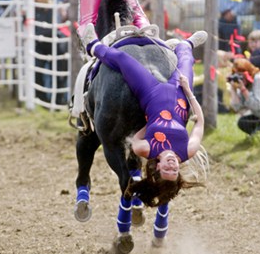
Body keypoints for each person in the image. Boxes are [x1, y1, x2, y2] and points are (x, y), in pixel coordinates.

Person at [83, 22, 207, 207]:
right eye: (174, 170)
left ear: (158, 167)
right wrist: (189, 93)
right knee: (187, 61)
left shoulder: (147, 150)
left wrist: (151, 123)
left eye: (167, 168)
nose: (172, 165)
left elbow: (135, 139)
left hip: (151, 91)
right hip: (179, 93)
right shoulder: (188, 150)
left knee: (123, 59)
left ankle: (92, 44)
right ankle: (185, 44)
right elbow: (199, 125)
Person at [34, 0, 68, 105]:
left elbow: (62, 23)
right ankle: (42, 100)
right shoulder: (32, 7)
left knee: (59, 70)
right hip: (39, 42)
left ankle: (58, 101)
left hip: (52, 40)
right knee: (38, 71)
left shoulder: (54, 6)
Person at [194, 49, 233, 114]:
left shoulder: (217, 72)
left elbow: (199, 80)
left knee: (199, 87)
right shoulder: (229, 69)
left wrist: (192, 77)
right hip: (231, 102)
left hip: (224, 104)